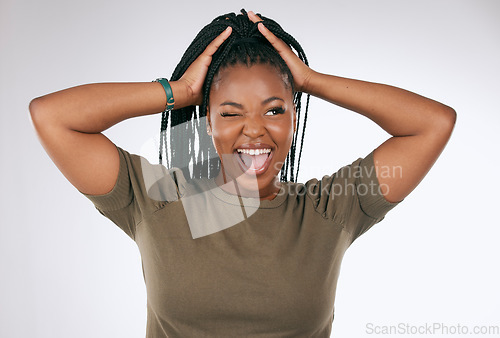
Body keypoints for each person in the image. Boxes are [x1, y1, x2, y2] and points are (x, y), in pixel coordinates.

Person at [29, 9, 456, 337]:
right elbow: (53, 117)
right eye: (230, 113)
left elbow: (432, 124)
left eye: (274, 109)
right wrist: (178, 92)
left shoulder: (331, 209)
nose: (254, 129)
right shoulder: (156, 198)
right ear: (207, 122)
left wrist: (310, 80)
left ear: (294, 117)